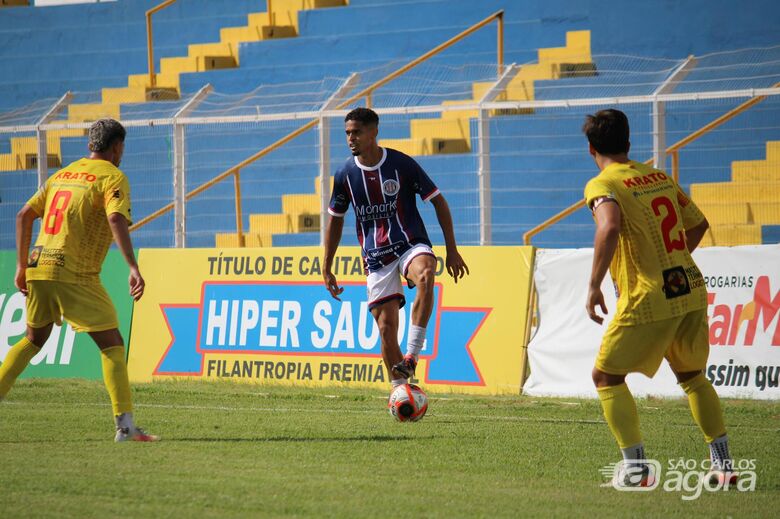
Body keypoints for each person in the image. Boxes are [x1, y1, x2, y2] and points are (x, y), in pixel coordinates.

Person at [582, 108, 733, 487]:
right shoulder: (658, 176)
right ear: (629, 143)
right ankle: (724, 464)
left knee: (605, 376)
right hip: (689, 289)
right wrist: (673, 263)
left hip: (646, 296)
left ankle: (636, 470)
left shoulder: (602, 185)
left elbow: (610, 226)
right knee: (694, 377)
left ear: (590, 149)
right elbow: (698, 224)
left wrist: (594, 283)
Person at [0, 118, 159, 442]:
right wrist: (132, 266)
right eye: (122, 147)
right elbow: (115, 217)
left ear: (91, 145)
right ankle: (126, 427)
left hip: (39, 266)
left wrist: (20, 266)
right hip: (75, 273)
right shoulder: (113, 177)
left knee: (32, 340)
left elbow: (23, 215)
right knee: (112, 344)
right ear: (116, 147)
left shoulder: (63, 174)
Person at [322, 107, 469, 395]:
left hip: (409, 245)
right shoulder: (345, 175)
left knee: (427, 272)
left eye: (356, 132)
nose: (350, 138)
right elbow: (335, 221)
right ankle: (401, 393)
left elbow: (438, 201)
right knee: (387, 328)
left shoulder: (401, 164)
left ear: (374, 132)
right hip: (376, 259)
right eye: (347, 133)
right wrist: (326, 266)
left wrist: (451, 249)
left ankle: (412, 355)